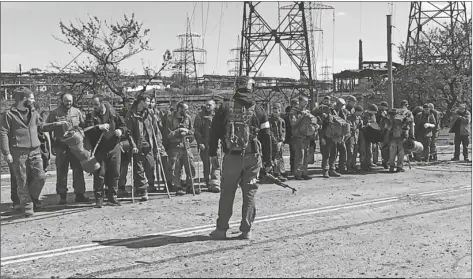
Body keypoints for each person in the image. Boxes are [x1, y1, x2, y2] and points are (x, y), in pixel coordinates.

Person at [208, 76, 272, 240]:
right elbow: (266, 136)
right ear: (252, 87)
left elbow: (214, 132)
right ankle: (246, 230)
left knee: (227, 193)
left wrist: (212, 154)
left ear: (237, 87)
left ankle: (221, 229)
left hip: (231, 157)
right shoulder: (258, 109)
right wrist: (268, 161)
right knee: (249, 193)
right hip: (253, 157)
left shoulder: (225, 107)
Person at [0, 87, 60, 216]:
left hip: (35, 150)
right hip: (18, 152)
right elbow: (3, 133)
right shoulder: (8, 114)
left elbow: (41, 126)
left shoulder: (34, 112)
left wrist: (55, 125)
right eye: (31, 98)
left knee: (41, 177)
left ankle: (31, 199)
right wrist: (6, 153)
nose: (33, 101)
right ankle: (27, 206)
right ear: (24, 99)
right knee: (22, 180)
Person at [84, 95, 128, 208]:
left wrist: (120, 131)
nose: (94, 107)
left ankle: (112, 197)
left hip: (114, 147)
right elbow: (86, 131)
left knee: (115, 173)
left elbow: (124, 126)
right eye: (93, 104)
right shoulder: (91, 116)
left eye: (96, 104)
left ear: (102, 103)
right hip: (99, 149)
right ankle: (99, 199)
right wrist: (98, 127)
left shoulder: (113, 114)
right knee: (100, 174)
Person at [46, 93, 89, 205]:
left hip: (75, 146)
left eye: (70, 101)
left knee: (78, 170)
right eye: (66, 101)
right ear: (62, 101)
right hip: (61, 146)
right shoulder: (54, 113)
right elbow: (48, 128)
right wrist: (53, 146)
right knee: (62, 172)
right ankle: (62, 196)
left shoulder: (77, 112)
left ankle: (79, 194)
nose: (68, 103)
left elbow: (83, 125)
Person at [126, 94, 162, 201]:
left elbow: (156, 130)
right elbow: (129, 132)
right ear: (141, 101)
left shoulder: (150, 113)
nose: (149, 103)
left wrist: (158, 145)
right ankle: (143, 191)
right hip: (137, 146)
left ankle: (150, 184)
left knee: (150, 166)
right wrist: (133, 145)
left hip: (148, 145)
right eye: (147, 101)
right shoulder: (131, 114)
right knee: (139, 169)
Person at [164, 101, 198, 196]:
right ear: (179, 109)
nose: (187, 111)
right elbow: (168, 134)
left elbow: (192, 132)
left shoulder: (188, 118)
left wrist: (188, 133)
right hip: (175, 147)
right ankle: (178, 186)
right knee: (176, 167)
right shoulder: (170, 119)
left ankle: (190, 185)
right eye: (185, 109)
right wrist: (178, 131)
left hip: (186, 146)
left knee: (191, 166)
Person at [194, 99, 221, 192]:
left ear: (214, 106)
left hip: (216, 144)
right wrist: (200, 142)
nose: (208, 107)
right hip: (205, 144)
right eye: (207, 105)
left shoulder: (218, 116)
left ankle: (215, 182)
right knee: (207, 164)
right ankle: (207, 181)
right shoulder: (200, 116)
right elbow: (197, 131)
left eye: (210, 105)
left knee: (216, 163)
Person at [290, 96, 314, 180]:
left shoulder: (306, 111)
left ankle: (304, 173)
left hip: (306, 135)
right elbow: (293, 123)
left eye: (307, 102)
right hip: (298, 136)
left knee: (306, 155)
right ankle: (298, 174)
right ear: (299, 102)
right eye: (305, 102)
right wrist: (301, 117)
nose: (306, 103)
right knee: (300, 155)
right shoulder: (294, 111)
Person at [387, 102, 414, 173]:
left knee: (392, 151)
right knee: (401, 151)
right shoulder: (408, 113)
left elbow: (388, 124)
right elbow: (411, 125)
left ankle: (391, 166)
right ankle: (399, 167)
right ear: (407, 105)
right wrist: (412, 136)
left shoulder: (395, 112)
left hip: (393, 134)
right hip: (403, 135)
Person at [117, 96, 136, 197]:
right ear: (124, 104)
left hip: (134, 142)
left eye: (132, 104)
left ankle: (135, 187)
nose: (130, 106)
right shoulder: (119, 115)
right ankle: (120, 187)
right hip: (123, 142)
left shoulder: (136, 114)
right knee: (121, 167)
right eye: (128, 104)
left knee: (132, 166)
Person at [318, 102, 340, 178]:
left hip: (333, 137)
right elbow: (320, 128)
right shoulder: (321, 117)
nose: (330, 109)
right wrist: (322, 138)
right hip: (325, 137)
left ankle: (332, 169)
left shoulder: (333, 115)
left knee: (334, 154)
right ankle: (325, 171)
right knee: (326, 155)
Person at [269, 103, 286, 181]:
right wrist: (275, 142)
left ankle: (280, 173)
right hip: (273, 142)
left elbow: (283, 131)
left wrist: (282, 140)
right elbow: (270, 132)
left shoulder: (281, 120)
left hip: (280, 142)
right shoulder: (270, 121)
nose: (275, 113)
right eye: (274, 111)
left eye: (277, 111)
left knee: (280, 157)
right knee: (273, 158)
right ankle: (274, 174)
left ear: (280, 111)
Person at [359, 104, 378, 171]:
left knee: (369, 149)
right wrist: (369, 123)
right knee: (363, 149)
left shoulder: (373, 115)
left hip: (370, 133)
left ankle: (369, 162)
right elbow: (363, 123)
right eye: (375, 111)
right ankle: (363, 164)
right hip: (364, 133)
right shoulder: (365, 114)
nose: (375, 113)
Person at [345, 105, 363, 173]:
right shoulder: (350, 117)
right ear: (357, 111)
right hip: (351, 136)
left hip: (356, 136)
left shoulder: (359, 118)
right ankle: (348, 166)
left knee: (355, 152)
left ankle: (353, 165)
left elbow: (359, 127)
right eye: (360, 112)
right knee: (350, 152)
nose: (361, 114)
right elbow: (349, 126)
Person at [334, 98, 348, 173]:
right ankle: (332, 167)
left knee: (343, 151)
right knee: (334, 152)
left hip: (341, 134)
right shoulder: (332, 111)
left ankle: (342, 167)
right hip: (334, 134)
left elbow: (344, 122)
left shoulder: (342, 111)